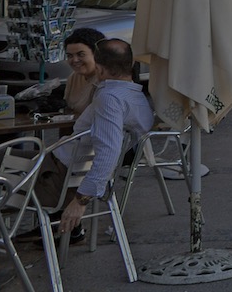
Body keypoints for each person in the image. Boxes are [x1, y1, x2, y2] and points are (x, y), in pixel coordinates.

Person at [47, 38, 154, 236]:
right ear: (131, 64)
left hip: (58, 173)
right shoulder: (134, 95)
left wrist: (81, 200)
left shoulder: (110, 98)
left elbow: (109, 150)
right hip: (67, 167)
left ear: (99, 67)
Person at [62, 27, 107, 114]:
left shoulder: (105, 80)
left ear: (97, 54)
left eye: (81, 54)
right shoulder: (74, 77)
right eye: (70, 56)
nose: (75, 60)